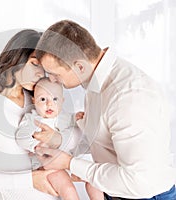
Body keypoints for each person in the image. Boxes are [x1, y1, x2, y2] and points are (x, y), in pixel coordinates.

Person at [33, 20, 176, 199]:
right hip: (115, 192)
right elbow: (105, 142)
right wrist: (59, 141)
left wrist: (71, 164)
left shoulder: (128, 96)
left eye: (55, 74)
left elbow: (139, 182)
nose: (52, 80)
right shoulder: (96, 82)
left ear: (79, 66)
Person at [0, 29, 78, 200]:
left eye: (44, 69)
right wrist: (30, 180)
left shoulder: (38, 99)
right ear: (16, 59)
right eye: (35, 64)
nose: (40, 74)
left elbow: (70, 134)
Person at [16, 77, 104, 200]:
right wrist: (35, 146)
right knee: (67, 189)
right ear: (34, 101)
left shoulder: (65, 117)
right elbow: (21, 136)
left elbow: (75, 125)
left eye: (55, 99)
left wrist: (77, 118)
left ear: (62, 101)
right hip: (47, 166)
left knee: (94, 178)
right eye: (42, 99)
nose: (49, 103)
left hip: (68, 162)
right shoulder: (32, 119)